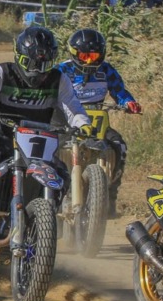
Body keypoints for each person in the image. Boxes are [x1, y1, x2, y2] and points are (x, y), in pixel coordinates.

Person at [0, 26, 92, 252]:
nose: (38, 71)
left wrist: (83, 124)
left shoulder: (59, 80)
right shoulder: (0, 72)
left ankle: (43, 225)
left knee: (61, 174)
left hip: (39, 141)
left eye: (45, 65)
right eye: (32, 64)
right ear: (19, 57)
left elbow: (73, 108)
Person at [56, 29, 141, 208]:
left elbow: (119, 91)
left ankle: (111, 195)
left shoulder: (106, 70)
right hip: (66, 123)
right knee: (51, 149)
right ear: (74, 53)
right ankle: (52, 192)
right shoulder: (61, 71)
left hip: (98, 124)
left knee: (119, 145)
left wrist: (129, 102)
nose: (89, 61)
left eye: (93, 56)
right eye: (84, 56)